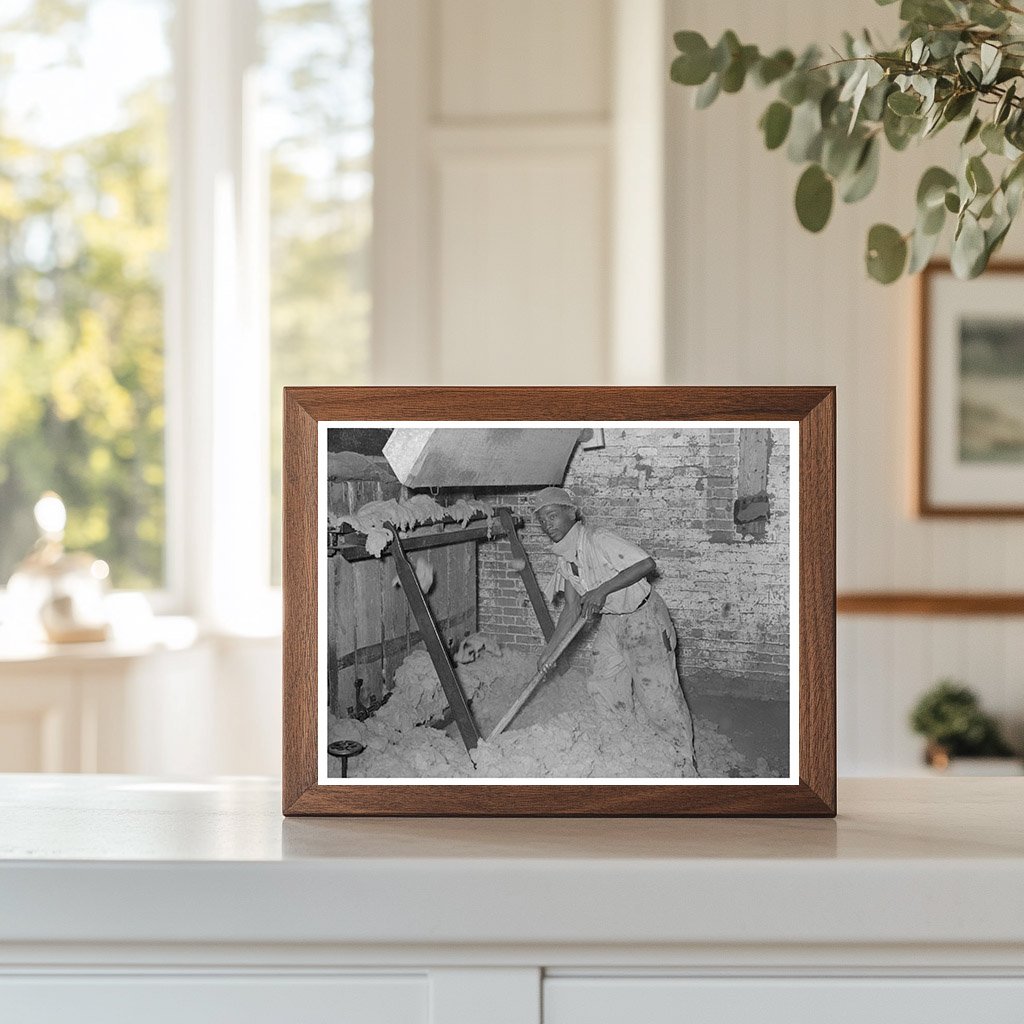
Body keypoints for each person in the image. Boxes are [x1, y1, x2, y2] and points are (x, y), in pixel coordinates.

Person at [532, 486, 699, 777]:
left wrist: (602, 589)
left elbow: (647, 563)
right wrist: (550, 651)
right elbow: (571, 609)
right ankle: (621, 741)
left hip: (643, 619)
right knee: (604, 683)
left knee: (658, 696)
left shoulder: (598, 539)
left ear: (571, 513)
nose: (548, 524)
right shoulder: (566, 557)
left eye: (553, 515)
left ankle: (682, 763)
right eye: (543, 519)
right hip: (612, 623)